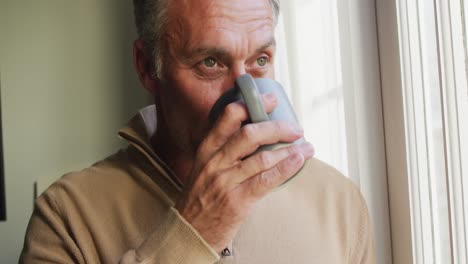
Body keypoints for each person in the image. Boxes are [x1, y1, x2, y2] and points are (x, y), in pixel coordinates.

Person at [20, 0, 375, 263]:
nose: (244, 95)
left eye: (260, 60)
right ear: (147, 68)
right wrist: (193, 232)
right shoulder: (65, 216)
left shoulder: (339, 201)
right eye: (210, 63)